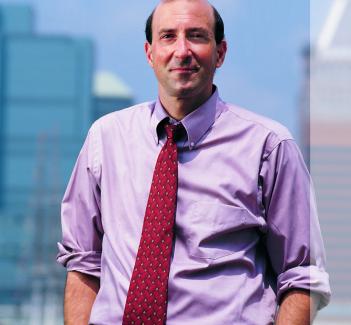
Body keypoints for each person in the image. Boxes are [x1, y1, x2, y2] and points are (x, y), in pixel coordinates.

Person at [57, 0, 331, 324]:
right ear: (150, 53)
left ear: (220, 52)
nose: (182, 50)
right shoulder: (105, 139)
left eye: (197, 36)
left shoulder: (268, 147)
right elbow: (83, 265)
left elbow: (302, 276)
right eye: (169, 36)